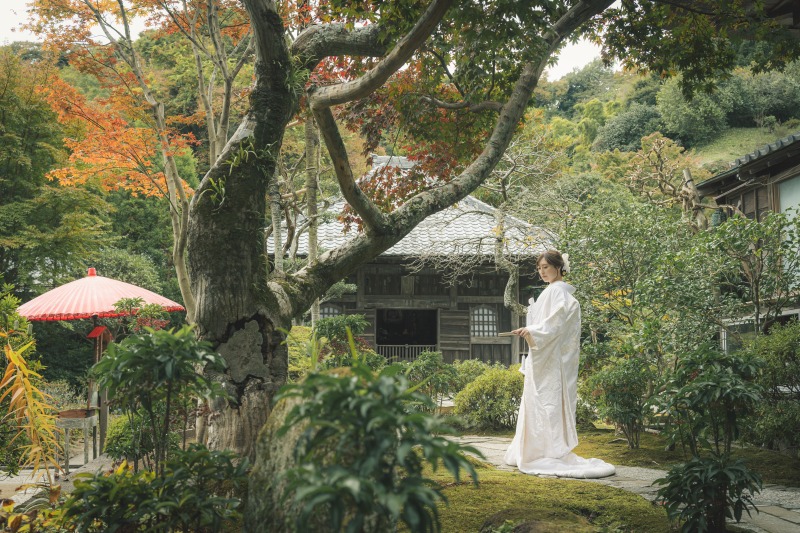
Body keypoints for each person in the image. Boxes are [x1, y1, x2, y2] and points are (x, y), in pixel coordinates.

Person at [504, 250, 615, 478]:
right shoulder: (554, 292)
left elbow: (553, 325)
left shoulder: (558, 293)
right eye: (539, 268)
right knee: (544, 402)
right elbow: (550, 324)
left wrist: (531, 331)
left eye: (546, 267)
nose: (542, 272)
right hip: (548, 356)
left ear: (559, 268)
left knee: (547, 402)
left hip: (550, 359)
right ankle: (542, 448)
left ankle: (547, 450)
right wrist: (531, 331)